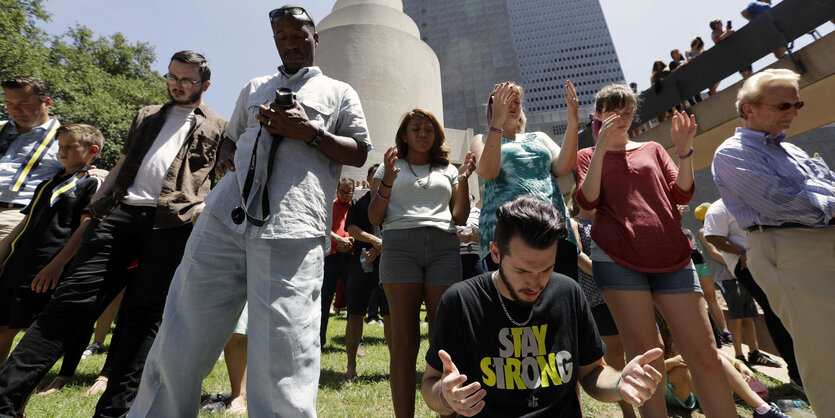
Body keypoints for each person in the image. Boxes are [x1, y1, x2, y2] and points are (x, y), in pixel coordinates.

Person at [132, 6, 370, 417]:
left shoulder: (339, 92)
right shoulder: (255, 86)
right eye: (281, 37)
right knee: (181, 332)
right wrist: (225, 159)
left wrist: (309, 133)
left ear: (316, 38)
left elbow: (360, 151)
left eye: (298, 36)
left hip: (291, 226)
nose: (290, 44)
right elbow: (232, 139)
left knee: (286, 349)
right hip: (224, 218)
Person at [0, 50, 226, 418]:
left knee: (143, 317)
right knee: (68, 304)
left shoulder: (219, 124)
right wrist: (98, 203)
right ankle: (5, 401)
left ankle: (114, 412)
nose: (177, 85)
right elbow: (124, 162)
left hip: (172, 223)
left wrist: (205, 205)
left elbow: (228, 173)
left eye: (187, 80)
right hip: (121, 216)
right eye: (172, 76)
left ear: (204, 84)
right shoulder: (147, 114)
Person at [574, 83, 736, 416]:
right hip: (617, 260)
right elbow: (587, 201)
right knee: (646, 354)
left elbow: (682, 194)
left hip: (673, 257)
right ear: (598, 115)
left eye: (627, 110)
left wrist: (684, 151)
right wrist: (601, 146)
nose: (620, 117)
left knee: (704, 351)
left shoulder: (651, 148)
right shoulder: (587, 156)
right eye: (612, 110)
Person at [420, 196, 663, 417]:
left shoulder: (568, 293)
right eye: (522, 270)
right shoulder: (461, 301)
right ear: (495, 253)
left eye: (546, 268)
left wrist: (620, 382)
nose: (535, 283)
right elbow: (430, 385)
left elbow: (592, 373)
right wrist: (445, 395)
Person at [712, 68, 833, 414]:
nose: (793, 112)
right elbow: (783, 202)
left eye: (798, 104)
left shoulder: (791, 151)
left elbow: (819, 194)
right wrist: (821, 196)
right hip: (789, 248)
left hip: (813, 244)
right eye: (783, 106)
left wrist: (819, 196)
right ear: (749, 108)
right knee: (824, 353)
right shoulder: (731, 152)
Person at [368, 108, 474, 417]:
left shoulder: (448, 170)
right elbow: (375, 217)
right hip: (400, 248)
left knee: (444, 336)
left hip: (443, 246)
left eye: (429, 129)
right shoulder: (388, 168)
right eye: (416, 128)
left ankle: (448, 411)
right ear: (404, 135)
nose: (423, 133)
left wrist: (464, 179)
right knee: (404, 341)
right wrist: (387, 179)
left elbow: (460, 216)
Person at [0, 124, 102, 365]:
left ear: (92, 150)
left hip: (46, 269)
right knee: (3, 328)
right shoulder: (46, 183)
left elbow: (84, 227)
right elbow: (25, 222)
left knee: (34, 334)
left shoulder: (90, 183)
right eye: (60, 146)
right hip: (18, 264)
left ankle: (19, 391)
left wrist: (57, 264)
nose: (62, 151)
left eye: (70, 146)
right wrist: (2, 253)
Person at [471, 80, 580, 281]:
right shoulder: (482, 140)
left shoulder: (539, 136)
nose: (512, 106)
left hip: (552, 227)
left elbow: (564, 167)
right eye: (505, 101)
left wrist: (573, 122)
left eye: (516, 101)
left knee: (560, 296)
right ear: (493, 107)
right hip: (509, 233)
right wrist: (496, 125)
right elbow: (488, 172)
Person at [702, 198, 802, 387]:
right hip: (747, 265)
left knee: (791, 308)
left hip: (777, 259)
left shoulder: (754, 200)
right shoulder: (718, 208)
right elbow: (713, 236)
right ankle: (796, 373)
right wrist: (741, 252)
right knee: (774, 310)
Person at [569, 187, 635, 418]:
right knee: (615, 353)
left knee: (644, 343)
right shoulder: (574, 223)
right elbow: (577, 255)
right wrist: (606, 274)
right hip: (598, 295)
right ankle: (628, 411)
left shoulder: (611, 220)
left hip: (626, 291)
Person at [697, 201, 783, 368]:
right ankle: (738, 354)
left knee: (749, 313)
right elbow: (714, 252)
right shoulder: (704, 230)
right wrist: (740, 260)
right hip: (728, 276)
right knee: (736, 315)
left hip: (742, 271)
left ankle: (754, 352)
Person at [656, 311, 789, 418]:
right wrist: (671, 362)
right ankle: (718, 409)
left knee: (712, 355)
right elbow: (649, 367)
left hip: (690, 386)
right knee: (682, 368)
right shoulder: (652, 328)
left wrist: (739, 364)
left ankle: (763, 409)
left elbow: (711, 350)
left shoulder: (680, 326)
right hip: (667, 387)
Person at [0, 76, 63, 239]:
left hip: (16, 214)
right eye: (9, 103)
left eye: (24, 103)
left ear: (47, 102)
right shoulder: (1, 128)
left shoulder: (65, 140)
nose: (15, 110)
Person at [344, 164, 390, 381]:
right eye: (374, 179)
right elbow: (351, 228)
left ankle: (396, 367)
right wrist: (374, 241)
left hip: (387, 265)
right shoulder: (357, 202)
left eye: (381, 179)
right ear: (369, 180)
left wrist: (378, 247)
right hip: (359, 264)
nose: (377, 183)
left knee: (390, 315)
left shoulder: (393, 203)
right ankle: (350, 367)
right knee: (355, 314)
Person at [320, 178, 355, 347]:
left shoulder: (354, 206)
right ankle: (319, 341)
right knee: (325, 299)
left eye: (349, 192)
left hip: (350, 256)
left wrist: (349, 241)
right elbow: (323, 228)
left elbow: (359, 228)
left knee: (353, 300)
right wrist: (339, 240)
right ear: (337, 190)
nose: (346, 196)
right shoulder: (329, 205)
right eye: (343, 191)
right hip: (332, 256)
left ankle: (356, 342)